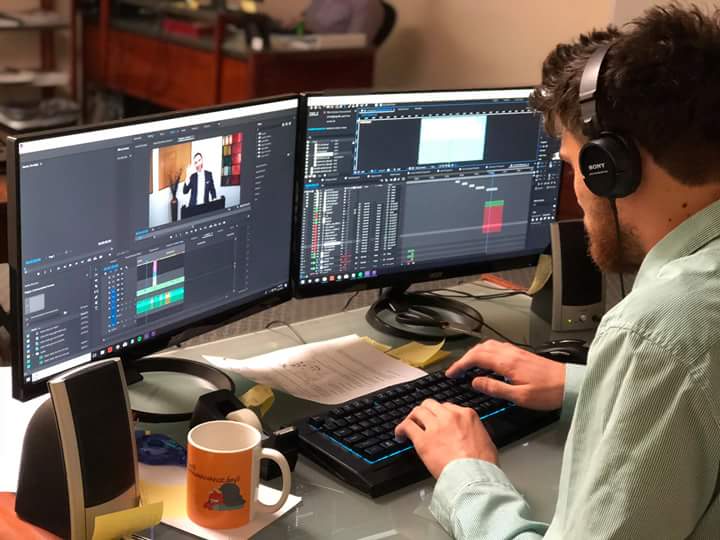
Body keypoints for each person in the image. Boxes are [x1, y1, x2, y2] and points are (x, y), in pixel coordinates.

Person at [395, 5, 720, 538]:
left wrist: (466, 476)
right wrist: (583, 384)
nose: (575, 189)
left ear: (610, 167)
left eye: (571, 165)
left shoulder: (656, 334)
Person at [302, 0, 384, 44]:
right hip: (305, 48)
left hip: (331, 62)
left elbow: (353, 46)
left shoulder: (367, 3)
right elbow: (307, 23)